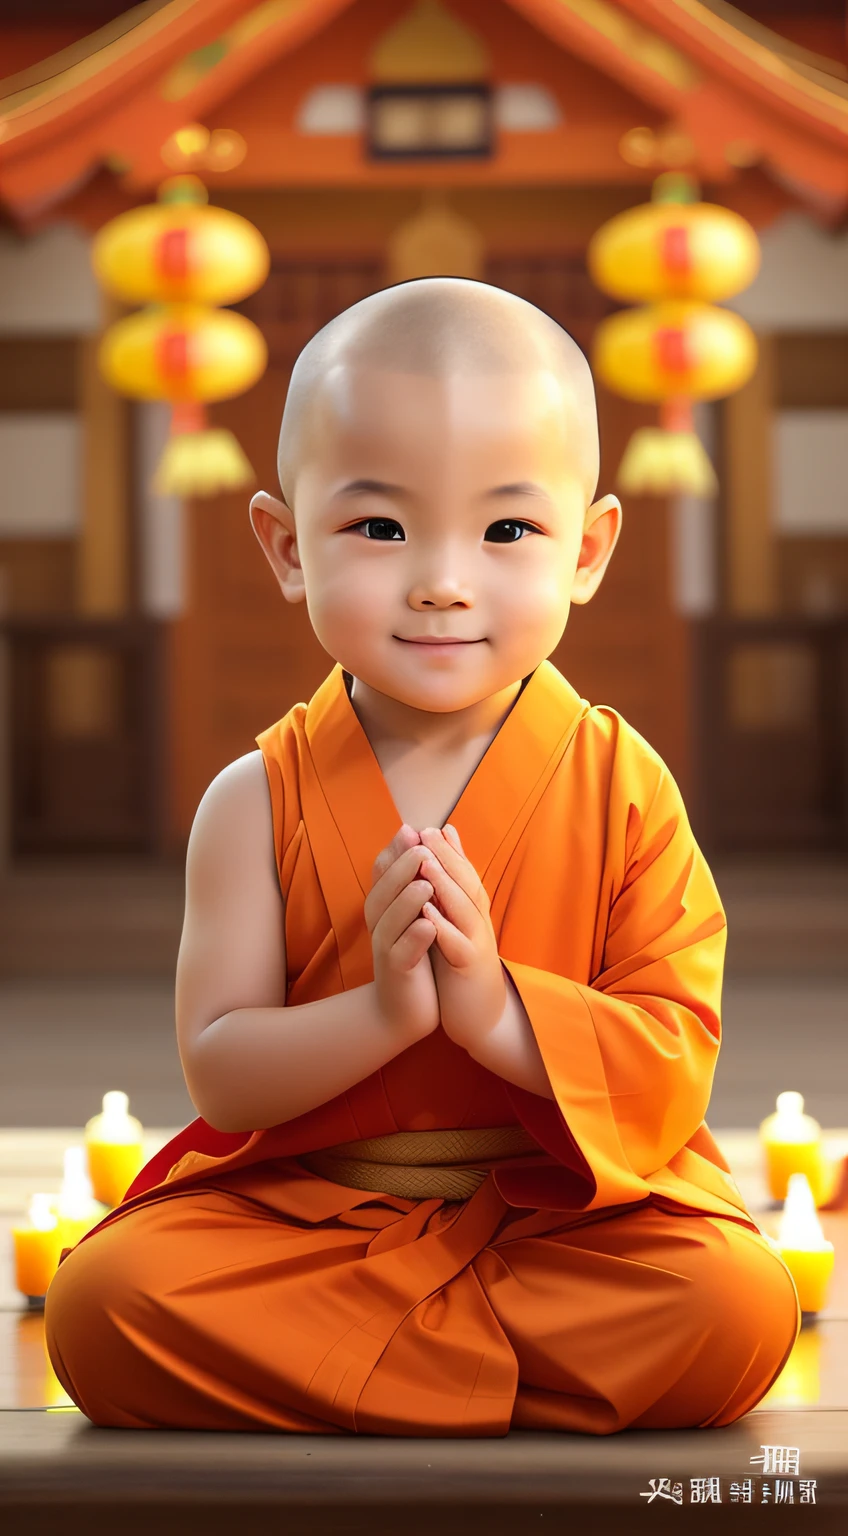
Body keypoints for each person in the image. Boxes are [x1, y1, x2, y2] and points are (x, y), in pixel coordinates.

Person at [45, 277, 800, 1436]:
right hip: (313, 1211)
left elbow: (669, 1065)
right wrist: (388, 1016)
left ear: (587, 548)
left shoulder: (623, 785)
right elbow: (223, 1074)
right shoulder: (255, 799)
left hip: (561, 1214)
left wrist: (494, 1010)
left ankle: (370, 1372)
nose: (442, 579)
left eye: (506, 530)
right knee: (106, 1302)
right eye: (379, 528)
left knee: (731, 1306)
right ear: (287, 546)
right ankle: (493, 1377)